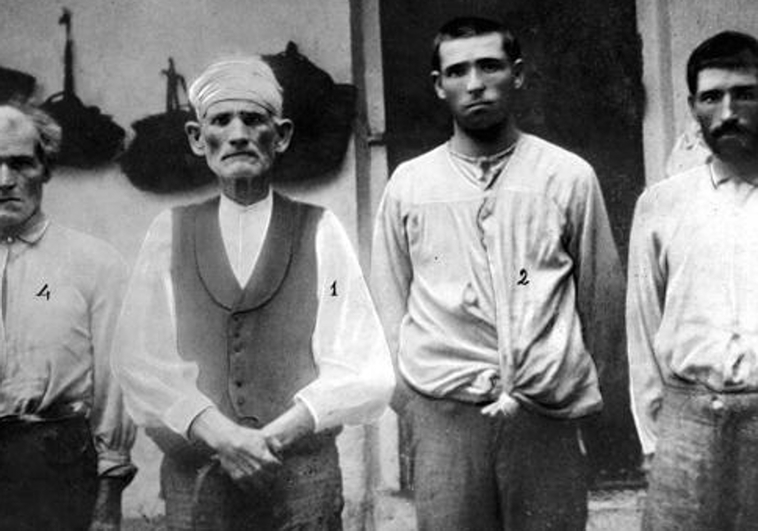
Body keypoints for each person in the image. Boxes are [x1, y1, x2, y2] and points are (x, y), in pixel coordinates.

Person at [111, 56, 394, 530]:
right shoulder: (170, 232)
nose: (238, 134)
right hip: (200, 477)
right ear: (197, 139)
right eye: (221, 121)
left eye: (253, 119)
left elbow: (364, 364)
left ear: (280, 136)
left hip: (300, 478)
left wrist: (270, 440)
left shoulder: (320, 230)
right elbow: (138, 359)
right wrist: (220, 434)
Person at [371, 16, 624, 531]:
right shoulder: (409, 185)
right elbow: (387, 303)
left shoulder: (566, 176)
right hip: (445, 415)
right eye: (457, 71)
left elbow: (602, 299)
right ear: (438, 85)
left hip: (544, 417)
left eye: (490, 66)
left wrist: (569, 392)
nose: (475, 83)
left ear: (518, 74)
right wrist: (415, 405)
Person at [627, 30, 758, 530]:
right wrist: (652, 442)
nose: (727, 112)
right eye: (711, 97)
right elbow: (643, 327)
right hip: (688, 427)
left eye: (744, 94)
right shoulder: (663, 204)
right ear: (692, 107)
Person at [0, 101, 136, 530]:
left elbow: (117, 384)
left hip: (54, 469)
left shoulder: (95, 264)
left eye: (20, 163)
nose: (4, 180)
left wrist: (109, 494)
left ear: (46, 169)